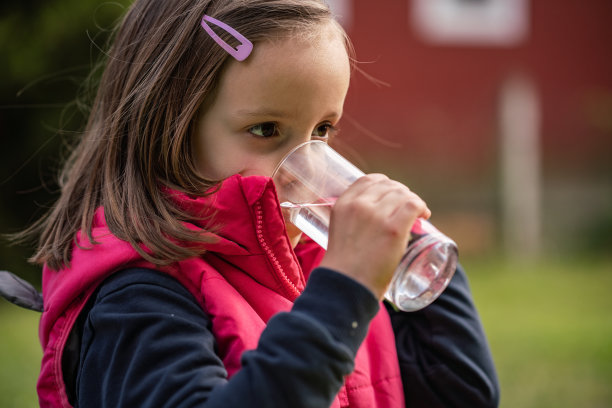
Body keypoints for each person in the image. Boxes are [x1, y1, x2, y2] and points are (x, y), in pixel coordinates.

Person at [23, 0, 499, 407]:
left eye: (322, 131)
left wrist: (417, 248)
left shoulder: (322, 261)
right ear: (171, 126)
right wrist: (343, 296)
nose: (309, 165)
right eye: (266, 130)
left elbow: (462, 395)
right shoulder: (136, 298)